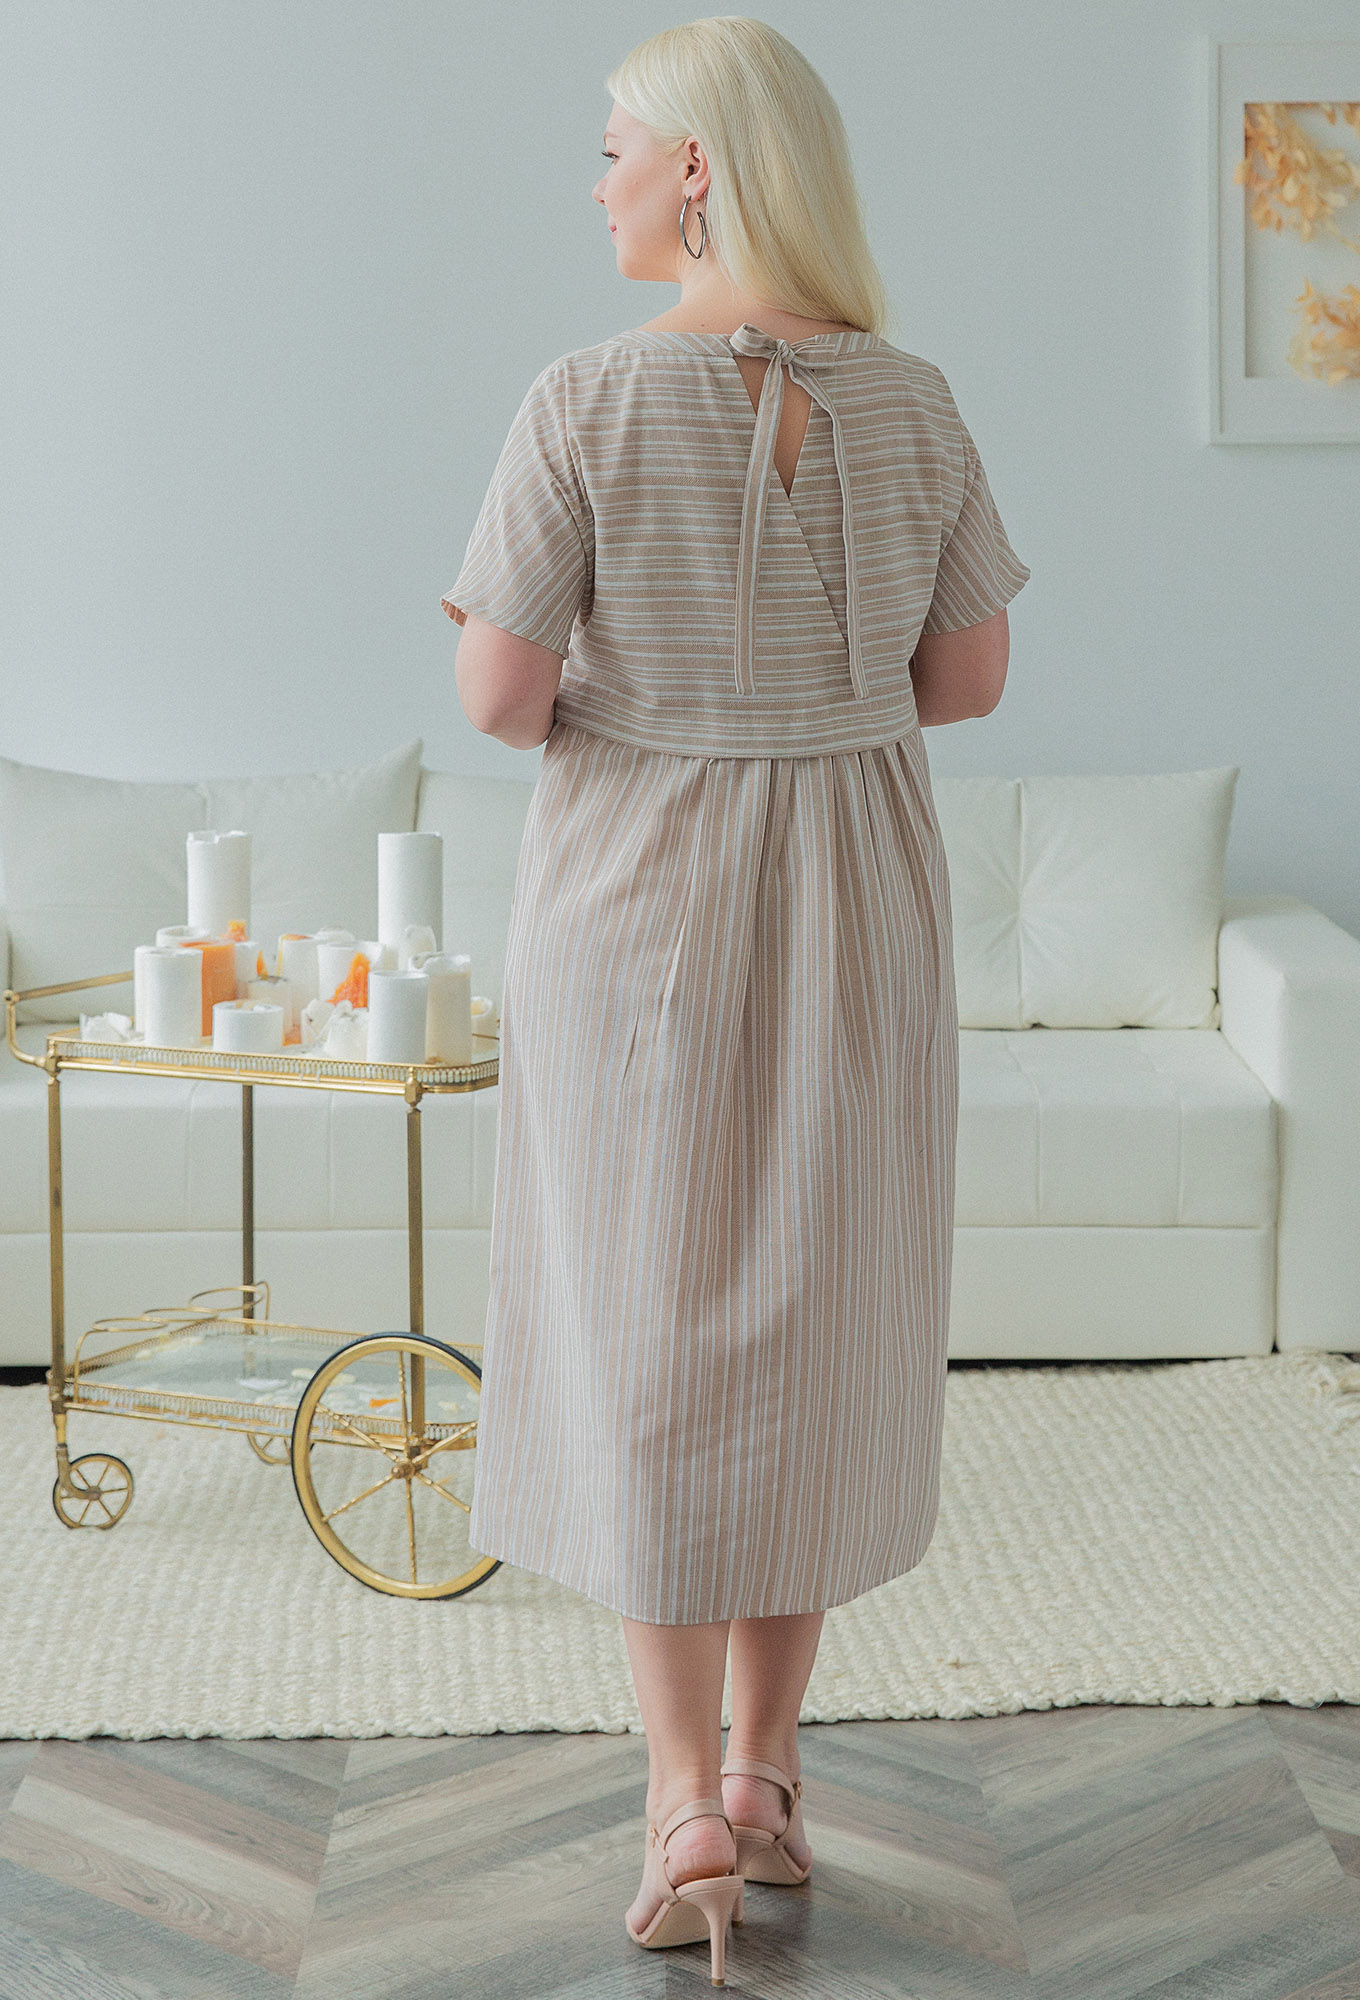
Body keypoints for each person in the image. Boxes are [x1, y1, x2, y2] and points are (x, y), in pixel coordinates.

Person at [441, 16, 1030, 1985]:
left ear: (696, 166)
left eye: (613, 149)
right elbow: (965, 684)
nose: (596, 183)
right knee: (818, 1320)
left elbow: (499, 698)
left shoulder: (584, 399)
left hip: (637, 907)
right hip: (859, 898)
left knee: (647, 1333)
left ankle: (678, 1792)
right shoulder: (916, 399)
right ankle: (771, 1776)